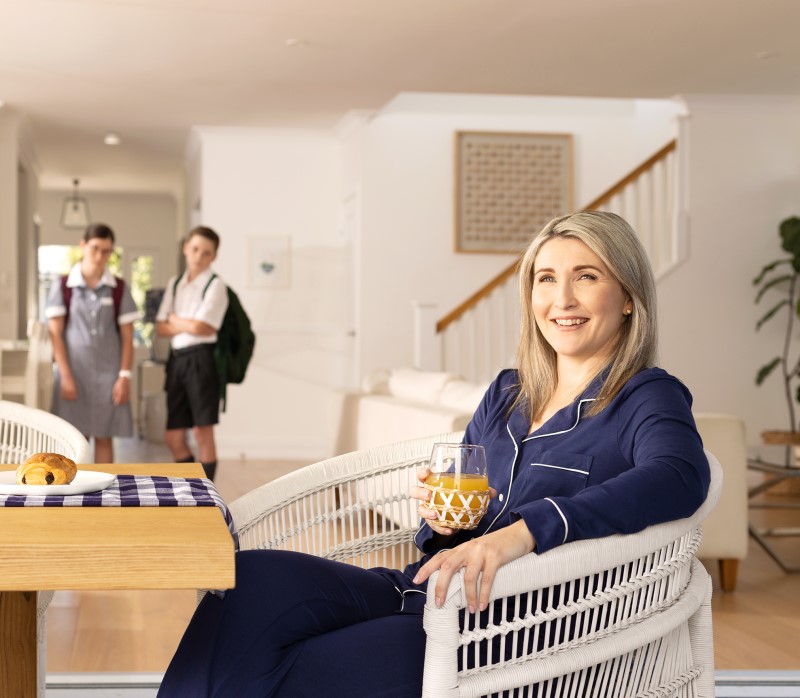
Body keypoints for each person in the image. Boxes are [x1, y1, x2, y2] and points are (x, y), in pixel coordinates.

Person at [157, 211, 710, 697]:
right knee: (247, 584)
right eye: (546, 279)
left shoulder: (646, 394)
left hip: (512, 629)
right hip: (425, 589)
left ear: (629, 298)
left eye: (585, 277)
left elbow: (679, 477)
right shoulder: (508, 392)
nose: (561, 299)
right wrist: (444, 519)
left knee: (287, 667)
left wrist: (524, 531)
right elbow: (463, 497)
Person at [46, 223, 140, 464]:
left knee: (105, 436)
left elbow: (128, 336)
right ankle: (72, 495)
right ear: (83, 245)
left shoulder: (118, 288)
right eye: (95, 248)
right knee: (74, 437)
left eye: (107, 251)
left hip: (109, 375)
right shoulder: (63, 286)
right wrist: (65, 375)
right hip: (73, 373)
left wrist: (124, 376)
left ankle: (104, 494)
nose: (100, 256)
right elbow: (55, 333)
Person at [156, 226, 228, 481]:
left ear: (214, 257)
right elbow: (161, 327)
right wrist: (187, 324)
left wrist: (175, 319)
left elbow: (203, 327)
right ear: (186, 248)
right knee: (174, 436)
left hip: (202, 361)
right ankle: (192, 487)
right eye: (195, 249)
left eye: (206, 253)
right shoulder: (174, 284)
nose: (199, 256)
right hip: (177, 362)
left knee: (202, 432)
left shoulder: (216, 285)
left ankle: (207, 496)